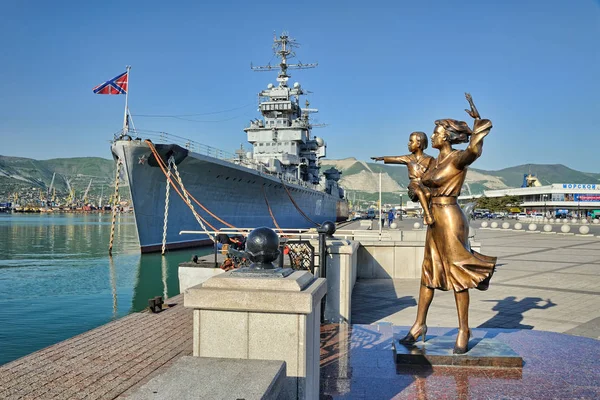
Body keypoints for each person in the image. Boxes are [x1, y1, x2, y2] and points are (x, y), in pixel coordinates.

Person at [400, 94, 497, 354]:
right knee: (428, 273)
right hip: (433, 219)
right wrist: (414, 188)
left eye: (435, 132)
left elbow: (474, 151)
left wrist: (478, 126)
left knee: (457, 275)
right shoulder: (433, 162)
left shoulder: (456, 158)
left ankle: (464, 329)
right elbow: (422, 186)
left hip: (451, 217)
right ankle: (419, 324)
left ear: (446, 137)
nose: (432, 136)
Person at [371, 132, 435, 225]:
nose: (408, 143)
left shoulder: (430, 159)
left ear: (418, 143)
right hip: (414, 184)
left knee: (428, 193)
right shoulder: (408, 158)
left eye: (411, 141)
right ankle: (428, 215)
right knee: (419, 192)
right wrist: (382, 158)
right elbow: (396, 158)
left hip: (423, 183)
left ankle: (426, 212)